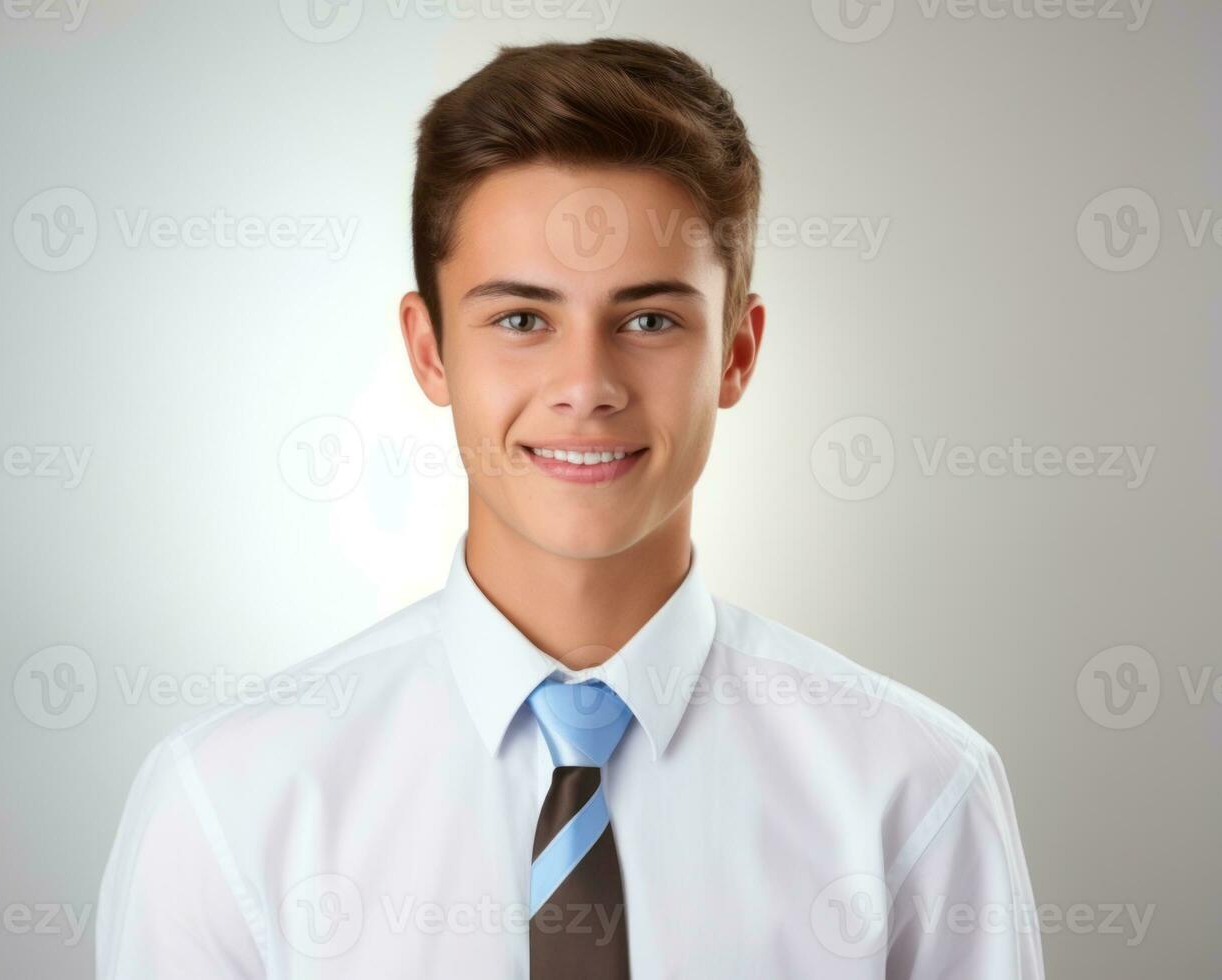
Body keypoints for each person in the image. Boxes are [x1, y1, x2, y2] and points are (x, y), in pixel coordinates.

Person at [96, 38, 1044, 979]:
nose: (585, 385)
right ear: (429, 353)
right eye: (520, 319)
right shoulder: (230, 799)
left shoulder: (913, 790)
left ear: (736, 354)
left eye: (648, 320)